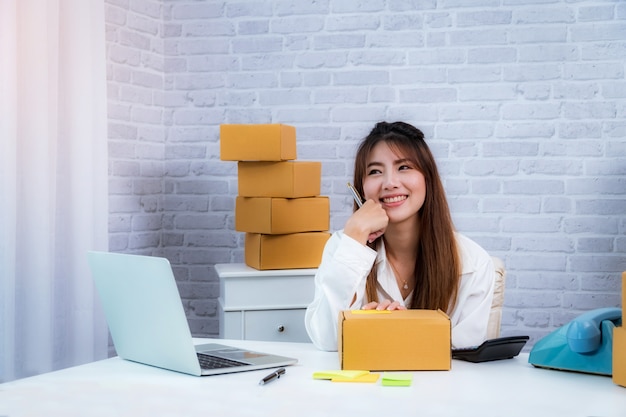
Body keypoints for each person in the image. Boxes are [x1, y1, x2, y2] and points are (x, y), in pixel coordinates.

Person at [304, 121, 495, 351]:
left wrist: (400, 331)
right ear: (361, 188)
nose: (390, 183)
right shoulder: (343, 246)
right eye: (375, 171)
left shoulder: (473, 263)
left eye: (404, 167)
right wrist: (354, 238)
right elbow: (327, 340)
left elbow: (466, 356)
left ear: (428, 178)